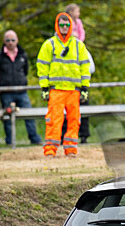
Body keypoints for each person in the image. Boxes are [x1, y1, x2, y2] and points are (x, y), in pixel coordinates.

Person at [37, 12, 91, 157]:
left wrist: (85, 87)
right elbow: (42, 67)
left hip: (74, 90)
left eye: (67, 25)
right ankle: (50, 151)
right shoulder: (49, 44)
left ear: (71, 26)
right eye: (61, 25)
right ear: (57, 25)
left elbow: (85, 67)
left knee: (74, 121)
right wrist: (44, 87)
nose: (64, 27)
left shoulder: (79, 45)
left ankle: (71, 150)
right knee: (54, 121)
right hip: (56, 90)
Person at [0, 30, 42, 146]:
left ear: (17, 40)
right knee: (8, 117)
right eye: (8, 40)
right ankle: (10, 141)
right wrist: (3, 84)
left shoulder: (23, 55)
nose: (10, 43)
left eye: (13, 40)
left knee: (29, 115)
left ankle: (35, 138)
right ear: (4, 41)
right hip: (6, 92)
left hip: (21, 91)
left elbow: (25, 70)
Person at [64, 3, 92, 142]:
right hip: (66, 86)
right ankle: (66, 136)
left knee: (81, 109)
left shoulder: (79, 23)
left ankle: (83, 135)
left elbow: (81, 34)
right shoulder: (65, 25)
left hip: (79, 85)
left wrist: (78, 43)